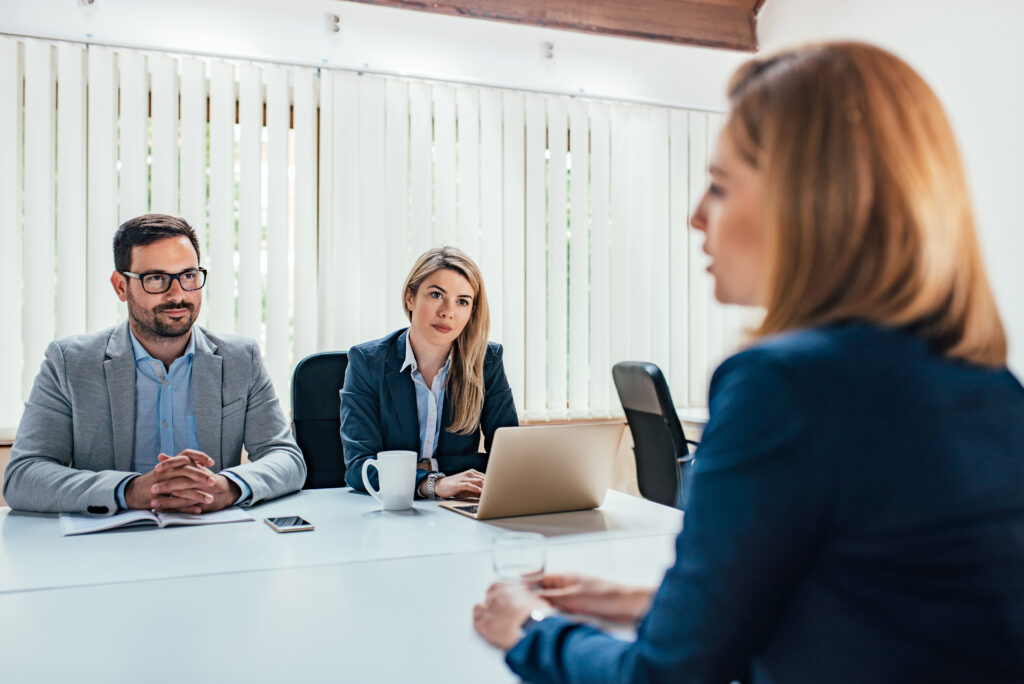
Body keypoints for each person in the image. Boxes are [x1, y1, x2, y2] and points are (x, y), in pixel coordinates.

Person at [473, 41, 1024, 682]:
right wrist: (650, 603)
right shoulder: (992, 387)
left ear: (810, 201)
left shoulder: (786, 385)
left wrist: (530, 630)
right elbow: (882, 615)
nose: (696, 217)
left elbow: (664, 677)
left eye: (720, 186)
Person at [3, 214, 306, 515]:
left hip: (211, 539)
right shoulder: (69, 363)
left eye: (188, 276)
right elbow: (23, 476)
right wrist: (132, 491)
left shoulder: (241, 359)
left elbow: (286, 457)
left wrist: (228, 487)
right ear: (121, 286)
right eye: (156, 279)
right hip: (106, 549)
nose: (177, 295)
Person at [341, 246, 518, 500]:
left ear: (472, 312)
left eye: (462, 301)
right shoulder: (366, 363)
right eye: (436, 295)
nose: (447, 311)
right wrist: (433, 483)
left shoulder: (487, 362)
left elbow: (508, 454)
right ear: (410, 297)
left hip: (461, 506)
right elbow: (359, 467)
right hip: (392, 508)